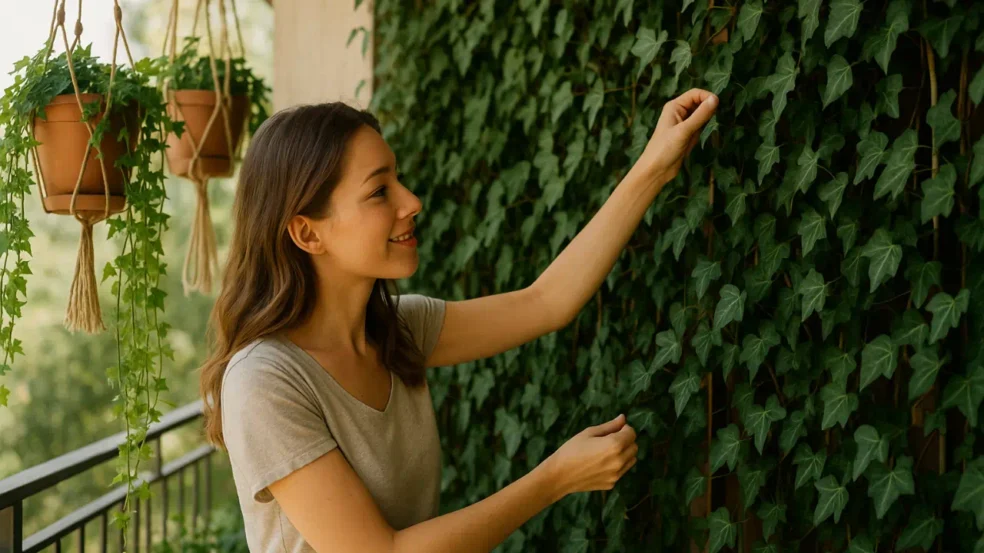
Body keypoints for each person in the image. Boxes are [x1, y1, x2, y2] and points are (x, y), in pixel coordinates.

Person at [198, 88, 718, 552]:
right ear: (308, 234)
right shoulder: (263, 383)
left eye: (397, 180)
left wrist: (654, 166)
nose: (412, 202)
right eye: (380, 191)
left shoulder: (398, 329)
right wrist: (554, 479)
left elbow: (547, 302)